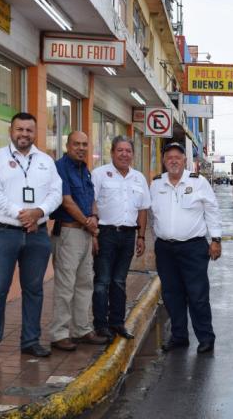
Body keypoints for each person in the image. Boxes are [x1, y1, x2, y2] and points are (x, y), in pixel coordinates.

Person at [0, 112, 62, 359]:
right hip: (3, 233)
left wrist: (40, 212)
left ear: (35, 133)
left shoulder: (46, 161)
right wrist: (22, 214)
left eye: (29, 130)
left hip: (37, 236)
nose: (24, 134)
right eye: (19, 129)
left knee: (34, 289)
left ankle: (30, 341)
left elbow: (56, 193)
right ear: (10, 131)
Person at [150, 142, 222, 353]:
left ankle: (206, 338)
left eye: (178, 157)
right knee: (172, 295)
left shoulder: (198, 182)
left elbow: (212, 210)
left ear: (184, 161)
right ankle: (179, 336)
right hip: (165, 249)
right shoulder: (156, 184)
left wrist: (216, 240)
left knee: (198, 295)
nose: (173, 160)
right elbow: (152, 214)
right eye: (169, 157)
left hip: (193, 248)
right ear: (164, 161)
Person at [48, 131, 109, 351]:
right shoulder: (59, 167)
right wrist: (87, 222)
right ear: (67, 145)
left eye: (85, 144)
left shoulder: (85, 170)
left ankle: (81, 329)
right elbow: (66, 201)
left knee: (85, 283)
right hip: (68, 233)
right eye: (77, 144)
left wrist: (93, 222)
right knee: (66, 286)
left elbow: (91, 199)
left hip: (84, 232)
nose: (81, 148)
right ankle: (59, 333)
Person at [91, 136, 151, 340]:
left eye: (128, 151)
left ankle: (117, 323)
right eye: (120, 150)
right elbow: (91, 204)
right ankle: (100, 324)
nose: (125, 154)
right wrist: (94, 234)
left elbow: (143, 209)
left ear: (132, 155)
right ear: (112, 152)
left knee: (119, 281)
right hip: (105, 233)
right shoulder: (99, 174)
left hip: (128, 235)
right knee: (102, 281)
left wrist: (141, 236)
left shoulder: (139, 178)